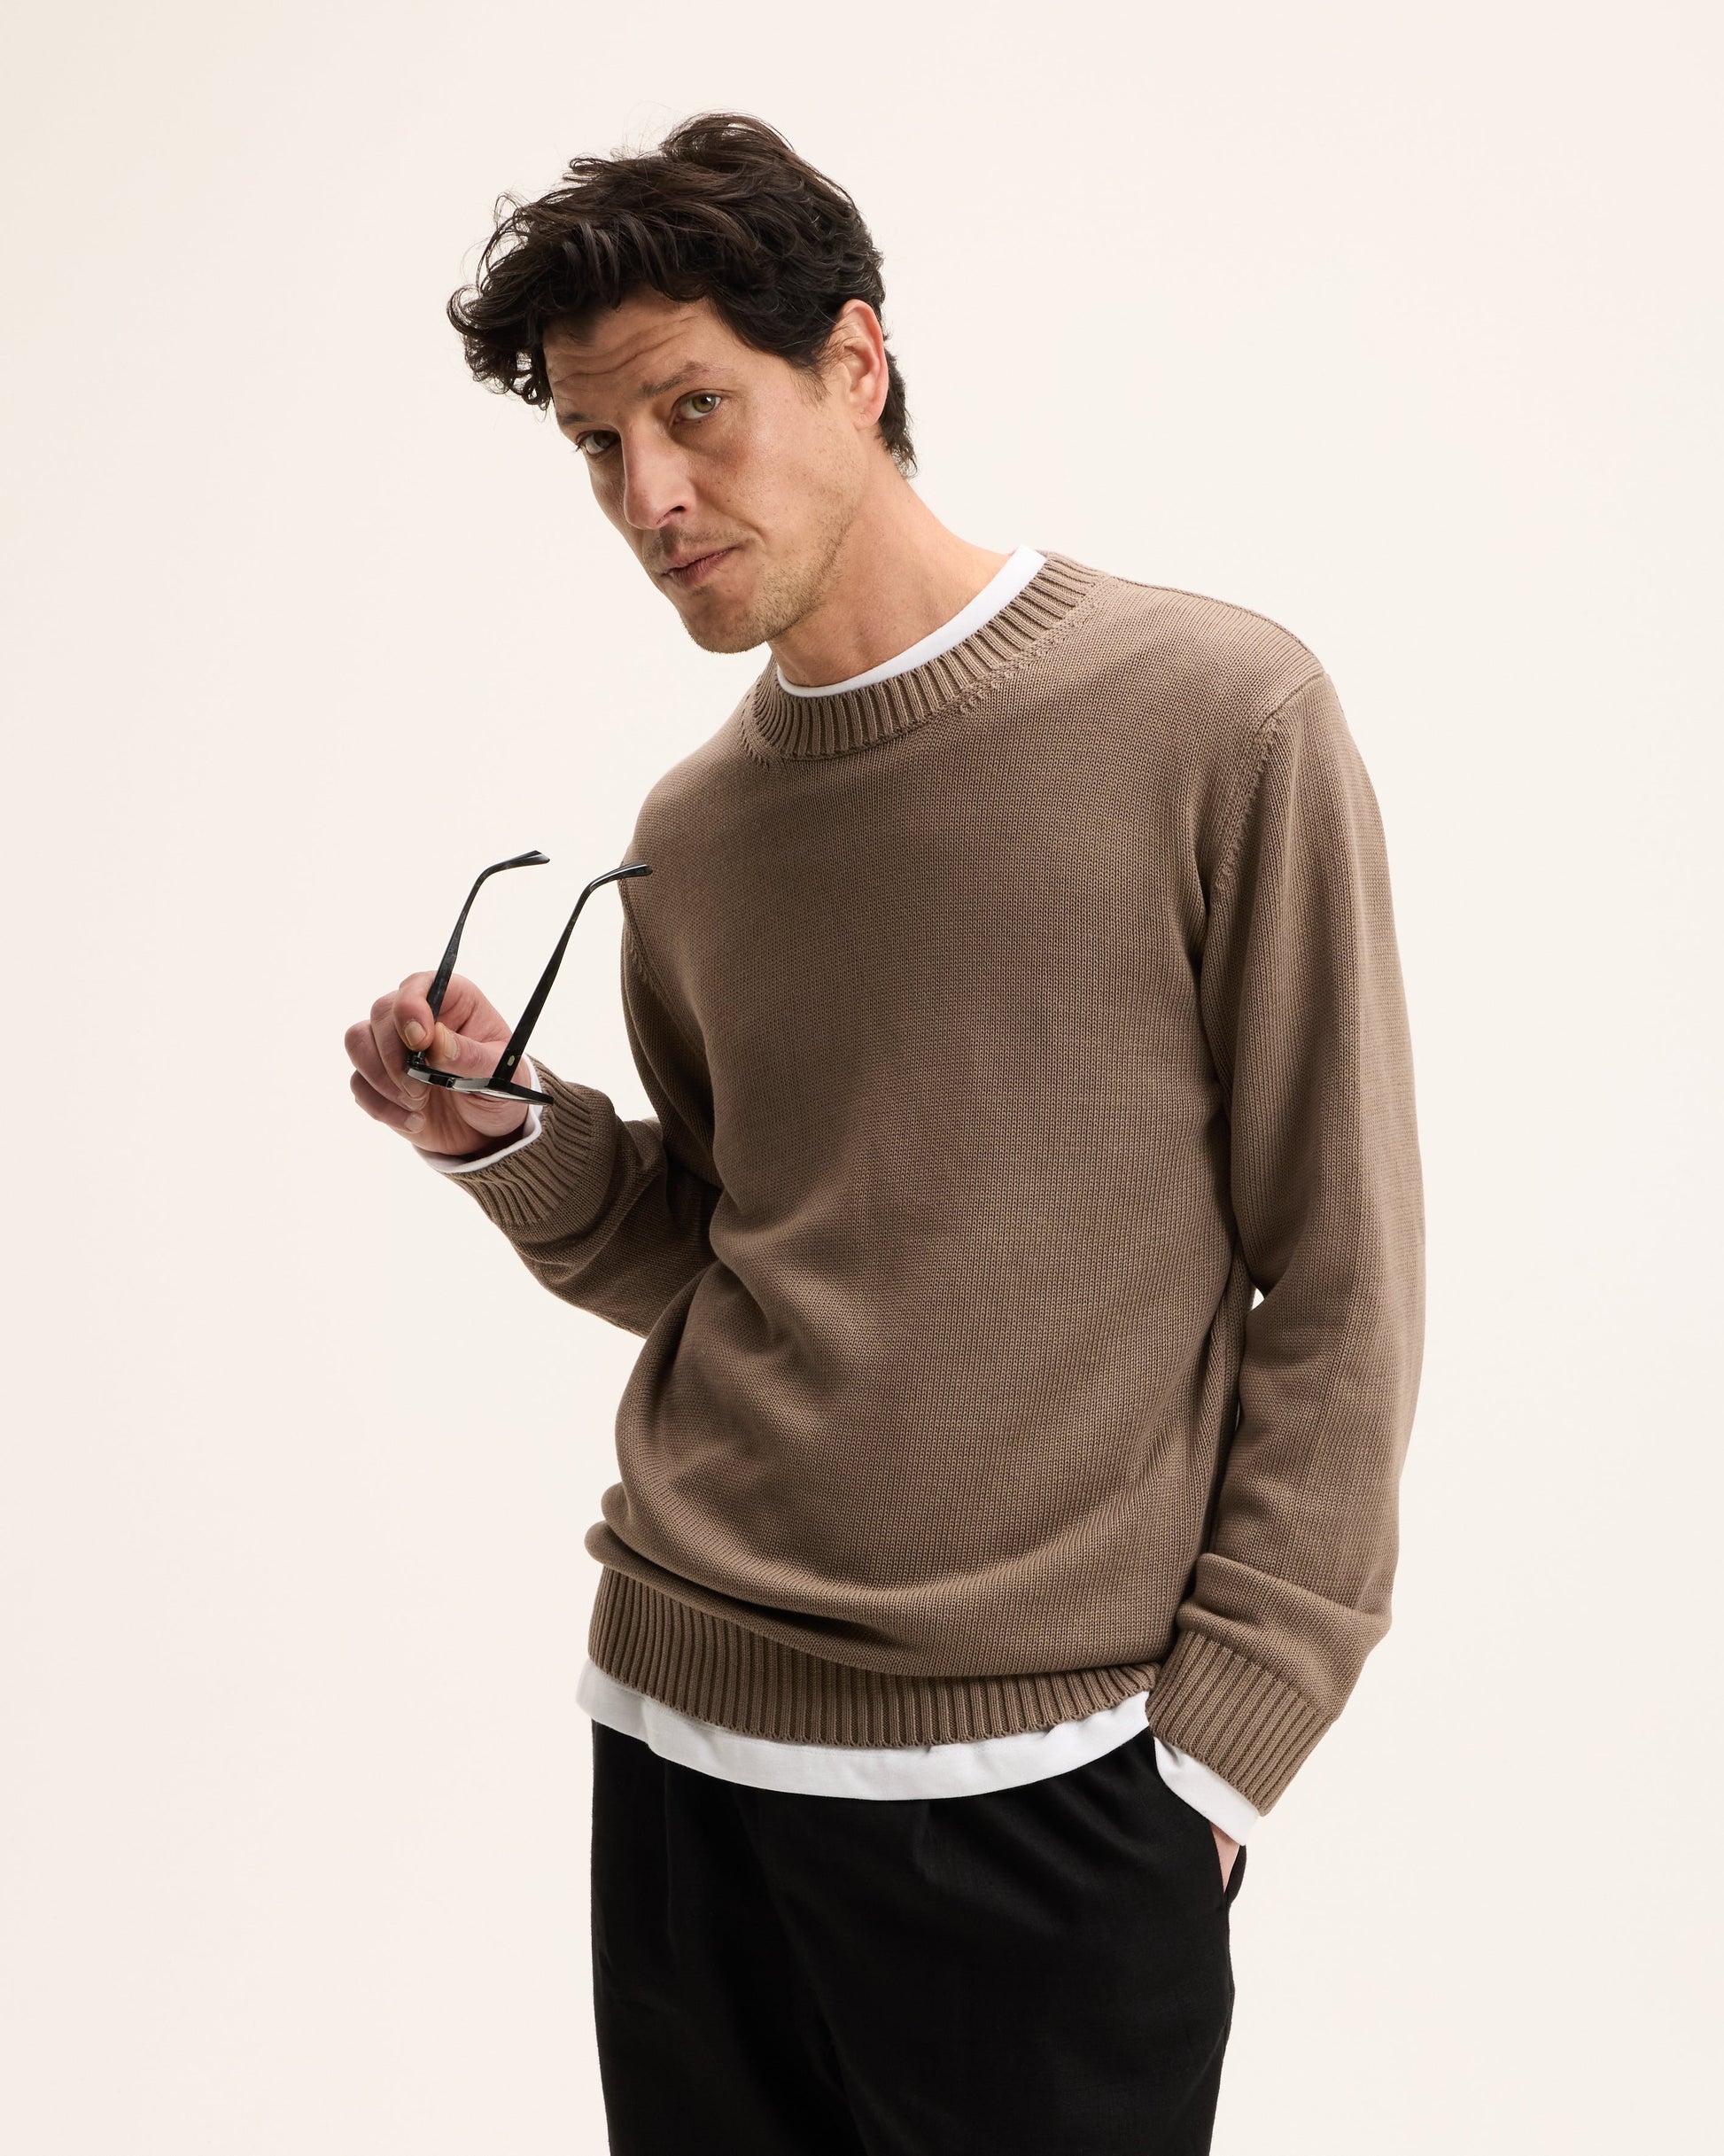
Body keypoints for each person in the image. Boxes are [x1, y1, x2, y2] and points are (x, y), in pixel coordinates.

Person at [344, 111, 1425, 2156]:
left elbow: (1341, 1264)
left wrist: (1219, 1752)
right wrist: (507, 1135)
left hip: (1050, 1796)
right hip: (677, 1743)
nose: (650, 496)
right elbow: (736, 1242)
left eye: (693, 409)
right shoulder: (695, 832)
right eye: (596, 444)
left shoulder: (1218, 716)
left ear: (855, 361)